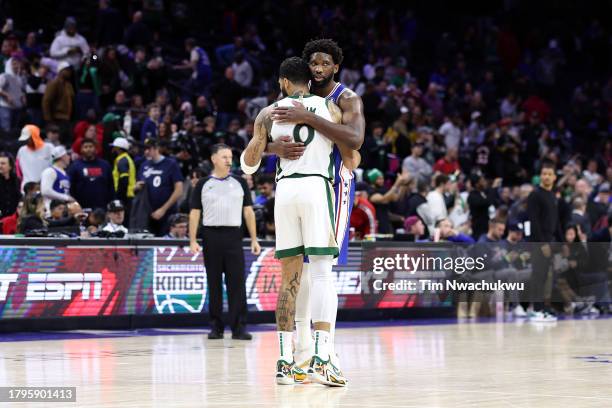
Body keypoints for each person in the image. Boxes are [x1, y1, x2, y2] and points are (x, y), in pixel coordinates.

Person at [241, 57, 347, 386]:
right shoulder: (329, 108)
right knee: (322, 275)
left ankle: (286, 361)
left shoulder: (268, 112)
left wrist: (273, 147)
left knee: (289, 279)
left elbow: (248, 164)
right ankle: (321, 356)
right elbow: (351, 149)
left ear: (284, 82)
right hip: (316, 186)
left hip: (285, 192)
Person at [270, 40, 365, 384]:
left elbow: (354, 142)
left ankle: (325, 353)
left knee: (322, 269)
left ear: (336, 66)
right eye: (314, 63)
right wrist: (271, 146)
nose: (319, 68)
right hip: (301, 184)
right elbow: (261, 143)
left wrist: (307, 117)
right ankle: (304, 353)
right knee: (303, 272)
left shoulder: (346, 98)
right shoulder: (295, 99)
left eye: (325, 63)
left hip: (334, 184)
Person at [189, 144, 260, 341]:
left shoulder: (240, 182)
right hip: (210, 236)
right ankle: (216, 327)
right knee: (214, 284)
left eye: (230, 157)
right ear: (214, 159)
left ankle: (239, 328)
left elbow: (248, 212)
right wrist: (193, 239)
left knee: (237, 284)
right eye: (224, 157)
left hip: (234, 237)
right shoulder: (203, 184)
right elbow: (194, 213)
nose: (229, 160)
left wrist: (254, 239)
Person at [526, 159, 561, 322]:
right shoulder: (535, 195)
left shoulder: (552, 196)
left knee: (547, 277)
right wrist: (543, 244)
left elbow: (556, 220)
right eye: (543, 174)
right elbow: (534, 221)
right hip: (539, 243)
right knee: (538, 276)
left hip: (551, 241)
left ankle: (543, 307)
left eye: (549, 174)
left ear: (554, 177)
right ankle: (536, 310)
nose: (546, 177)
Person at [136, 138, 183, 236]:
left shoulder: (171, 164)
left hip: (167, 214)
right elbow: (139, 185)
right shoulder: (144, 165)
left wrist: (163, 209)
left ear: (156, 148)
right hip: (148, 215)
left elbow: (179, 190)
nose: (146, 152)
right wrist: (136, 187)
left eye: (149, 149)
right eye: (145, 149)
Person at [67, 139, 113, 210]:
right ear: (81, 150)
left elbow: (111, 186)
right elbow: (71, 187)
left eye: (91, 146)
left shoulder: (105, 165)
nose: (88, 149)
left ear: (95, 149)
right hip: (82, 208)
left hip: (102, 207)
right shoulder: (74, 166)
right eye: (85, 147)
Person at [42, 61, 74, 142]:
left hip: (67, 117)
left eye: (69, 70)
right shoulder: (54, 83)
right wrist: (48, 119)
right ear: (60, 71)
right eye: (66, 70)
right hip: (57, 118)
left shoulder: (68, 85)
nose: (69, 72)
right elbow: (46, 101)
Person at [16, 124, 53, 189]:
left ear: (35, 136)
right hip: (27, 190)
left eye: (28, 138)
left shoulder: (49, 148)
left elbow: (56, 166)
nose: (25, 140)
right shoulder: (21, 151)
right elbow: (18, 170)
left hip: (46, 188)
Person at [40, 145, 74, 212]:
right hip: (50, 209)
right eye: (67, 155)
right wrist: (66, 197)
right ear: (62, 156)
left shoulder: (64, 173)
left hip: (62, 208)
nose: (69, 157)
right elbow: (45, 191)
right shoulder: (50, 171)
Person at [111, 137, 136, 223]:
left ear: (118, 148)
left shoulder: (122, 160)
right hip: (129, 195)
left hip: (125, 196)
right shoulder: (127, 158)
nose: (112, 149)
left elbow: (124, 180)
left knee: (123, 221)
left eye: (114, 147)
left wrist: (119, 197)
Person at [0, 56, 25, 132]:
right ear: (9, 65)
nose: (16, 66)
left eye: (17, 64)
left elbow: (20, 90)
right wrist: (7, 95)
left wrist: (23, 96)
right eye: (14, 64)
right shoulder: (4, 76)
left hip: (17, 106)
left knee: (14, 130)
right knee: (6, 130)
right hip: (6, 107)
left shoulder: (19, 78)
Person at [0, 152, 21, 218]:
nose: (0, 166)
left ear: (10, 166)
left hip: (13, 218)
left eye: (3, 163)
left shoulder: (17, 181)